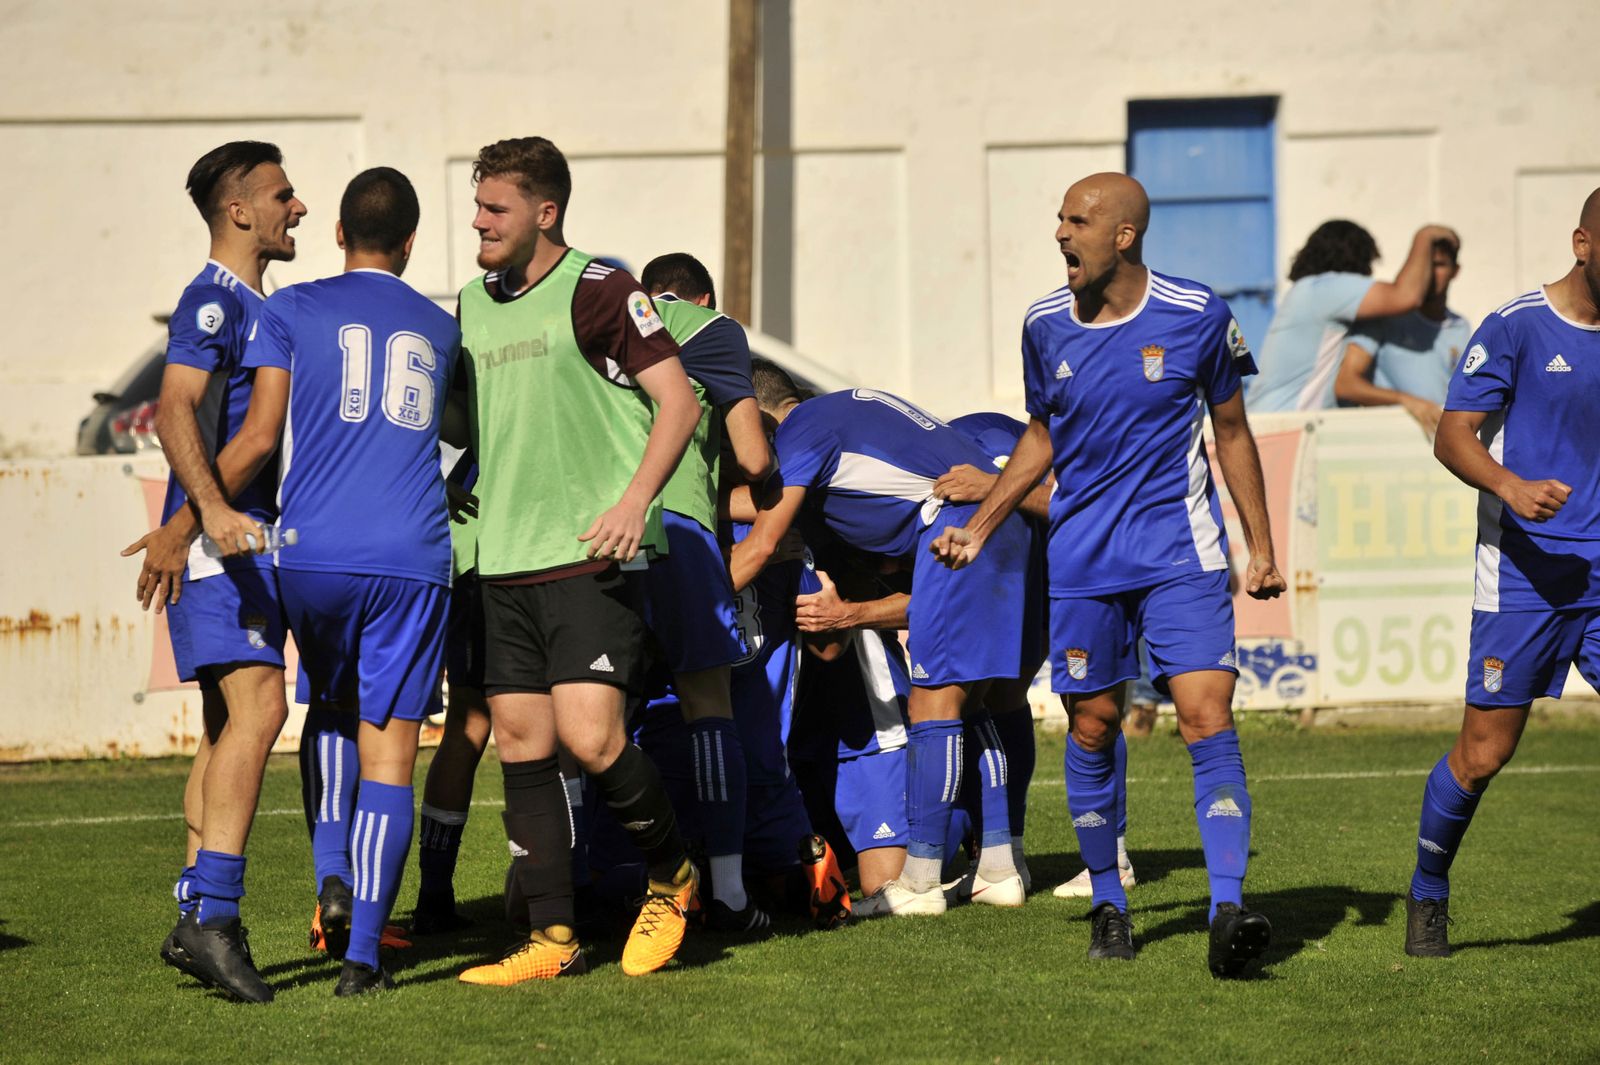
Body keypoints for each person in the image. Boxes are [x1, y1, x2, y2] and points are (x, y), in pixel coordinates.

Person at [931, 173, 1285, 977]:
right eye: (1059, 217)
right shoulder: (1044, 324)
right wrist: (980, 527)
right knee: (1091, 723)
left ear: (1124, 235)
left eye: (1078, 220)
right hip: (1084, 562)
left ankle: (1228, 905)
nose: (1062, 233)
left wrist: (1260, 546)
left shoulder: (1198, 315)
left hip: (1180, 556)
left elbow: (1231, 432)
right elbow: (1038, 438)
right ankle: (1109, 903)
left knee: (1206, 713)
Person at [197, 166, 458, 995]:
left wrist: (189, 514)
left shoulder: (291, 309)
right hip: (410, 556)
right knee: (393, 754)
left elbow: (264, 433)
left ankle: (331, 874)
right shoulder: (442, 327)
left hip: (310, 551)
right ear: (411, 243)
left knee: (330, 705)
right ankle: (362, 960)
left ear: (340, 232)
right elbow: (466, 430)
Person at [449, 137, 703, 985]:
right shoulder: (471, 305)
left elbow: (679, 398)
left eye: (495, 208)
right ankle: (552, 940)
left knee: (594, 740)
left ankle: (673, 880)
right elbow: (487, 422)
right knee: (521, 744)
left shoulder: (600, 289)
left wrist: (635, 502)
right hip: (505, 561)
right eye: (477, 204)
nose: (478, 220)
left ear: (544, 212)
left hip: (589, 555)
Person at [730, 366, 1038, 916]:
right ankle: (998, 863)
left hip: (958, 526)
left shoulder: (804, 432)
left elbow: (762, 537)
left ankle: (920, 884)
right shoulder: (849, 419)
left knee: (934, 704)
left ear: (761, 419)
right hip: (993, 527)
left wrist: (685, 607)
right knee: (981, 700)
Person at [121, 141, 305, 1003]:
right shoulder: (212, 299)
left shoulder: (252, 302)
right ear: (238, 211)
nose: (295, 208)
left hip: (225, 538)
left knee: (225, 719)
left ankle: (197, 906)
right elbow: (175, 409)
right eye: (281, 195)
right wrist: (203, 517)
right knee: (262, 705)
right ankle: (212, 917)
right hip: (219, 544)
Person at [1403, 187, 1600, 958]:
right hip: (1525, 573)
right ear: (1583, 244)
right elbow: (1454, 436)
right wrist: (1509, 486)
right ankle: (1428, 888)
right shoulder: (1517, 325)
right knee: (1485, 753)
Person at [633, 251, 775, 933]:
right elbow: (752, 456)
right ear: (704, 295)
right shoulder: (709, 327)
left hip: (592, 530)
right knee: (708, 705)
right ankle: (727, 893)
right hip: (680, 527)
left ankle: (562, 895)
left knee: (586, 718)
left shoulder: (600, 322)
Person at [1249, 219, 1460, 412]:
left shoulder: (1310, 293)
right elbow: (1406, 296)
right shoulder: (1325, 289)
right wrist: (1424, 236)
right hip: (1284, 424)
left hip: (1282, 423)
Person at [1334, 237, 1471, 438]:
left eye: (1439, 265)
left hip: (1439, 446)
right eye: (1426, 265)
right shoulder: (1385, 317)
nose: (1431, 274)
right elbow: (1346, 384)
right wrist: (1406, 401)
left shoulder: (1461, 326)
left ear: (1455, 271)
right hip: (1391, 446)